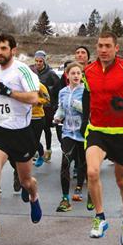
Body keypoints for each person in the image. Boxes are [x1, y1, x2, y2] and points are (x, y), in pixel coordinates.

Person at [81, 31, 123, 245]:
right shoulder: (88, 70)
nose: (103, 50)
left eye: (107, 46)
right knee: (92, 171)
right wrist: (85, 120)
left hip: (122, 133)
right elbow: (86, 94)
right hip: (97, 130)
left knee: (122, 181)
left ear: (116, 48)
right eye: (100, 45)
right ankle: (100, 218)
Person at [0, 34, 42, 239]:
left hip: (21, 133)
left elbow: (34, 97)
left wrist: (9, 92)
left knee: (26, 181)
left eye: (3, 49)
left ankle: (34, 195)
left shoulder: (23, 71)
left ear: (13, 50)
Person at [54, 62, 91, 212]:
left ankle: (83, 190)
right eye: (73, 73)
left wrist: (79, 106)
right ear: (67, 75)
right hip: (68, 132)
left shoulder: (85, 91)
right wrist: (57, 117)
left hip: (83, 133)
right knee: (65, 163)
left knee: (83, 164)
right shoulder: (63, 92)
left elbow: (90, 111)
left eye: (78, 73)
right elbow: (61, 108)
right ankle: (65, 199)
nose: (76, 76)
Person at [30, 50, 61, 163]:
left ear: (44, 61)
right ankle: (35, 150)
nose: (38, 63)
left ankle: (48, 149)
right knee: (33, 130)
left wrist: (54, 104)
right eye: (36, 61)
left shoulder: (51, 73)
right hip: (34, 107)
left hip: (48, 105)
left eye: (40, 61)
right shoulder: (31, 70)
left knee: (46, 128)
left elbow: (58, 89)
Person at [30, 83, 50, 168]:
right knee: (27, 139)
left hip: (38, 117)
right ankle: (29, 157)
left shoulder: (39, 85)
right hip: (26, 117)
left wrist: (37, 100)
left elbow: (47, 99)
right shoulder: (23, 84)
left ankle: (41, 155)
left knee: (34, 140)